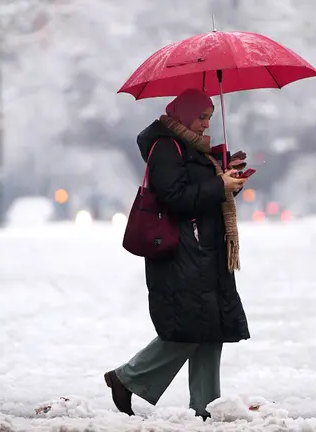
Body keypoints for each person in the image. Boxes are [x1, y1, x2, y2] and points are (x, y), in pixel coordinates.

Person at [104, 88, 251, 419]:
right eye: (201, 117)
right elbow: (176, 198)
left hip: (205, 251)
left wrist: (229, 181)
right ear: (183, 114)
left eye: (210, 118)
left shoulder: (195, 150)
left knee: (210, 329)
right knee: (188, 327)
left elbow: (203, 198)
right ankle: (127, 378)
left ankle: (206, 407)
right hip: (181, 253)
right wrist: (218, 185)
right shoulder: (166, 148)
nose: (205, 124)